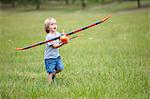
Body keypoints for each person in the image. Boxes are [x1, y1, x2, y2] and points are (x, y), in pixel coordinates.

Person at [44, 18, 69, 84]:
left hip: (57, 56)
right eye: (52, 24)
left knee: (60, 68)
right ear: (48, 28)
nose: (54, 25)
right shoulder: (48, 36)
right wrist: (63, 43)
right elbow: (55, 46)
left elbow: (62, 39)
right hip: (49, 58)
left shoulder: (57, 34)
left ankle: (53, 74)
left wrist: (64, 37)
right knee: (50, 72)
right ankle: (48, 86)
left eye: (55, 24)